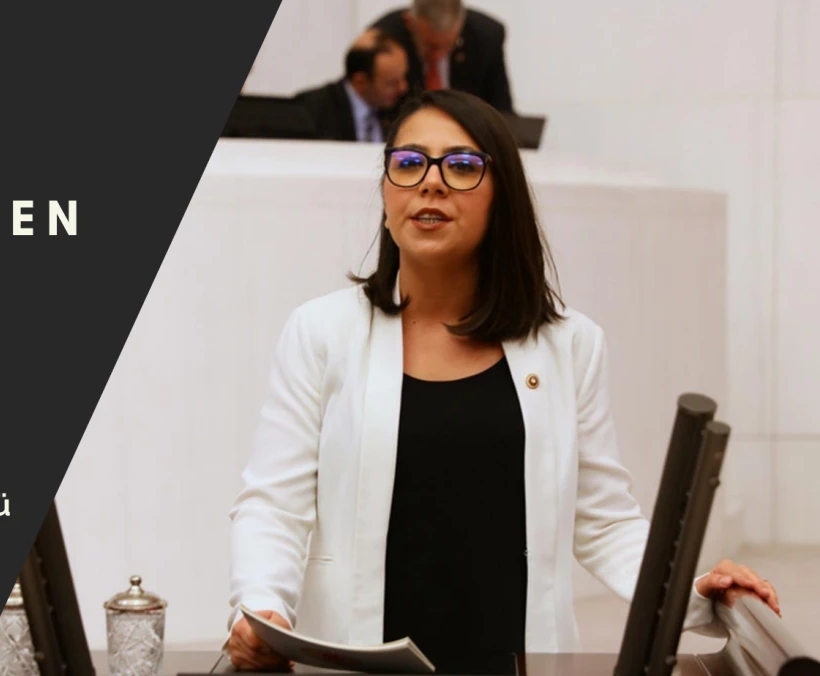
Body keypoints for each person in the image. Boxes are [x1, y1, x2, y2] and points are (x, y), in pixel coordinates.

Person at [225, 90, 780, 672]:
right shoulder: (321, 332)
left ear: (502, 198)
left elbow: (605, 522)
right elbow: (274, 505)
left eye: (462, 166)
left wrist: (695, 592)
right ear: (386, 192)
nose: (430, 183)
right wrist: (262, 607)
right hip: (362, 662)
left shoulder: (569, 344)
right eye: (409, 162)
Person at [371, 0, 514, 116]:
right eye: (429, 46)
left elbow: (501, 110)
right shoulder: (383, 40)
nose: (438, 55)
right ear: (409, 22)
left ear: (461, 26)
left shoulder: (486, 38)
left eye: (448, 45)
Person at [294, 29, 409, 143]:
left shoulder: (401, 108)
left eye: (403, 77)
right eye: (392, 83)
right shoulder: (312, 112)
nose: (403, 88)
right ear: (361, 82)